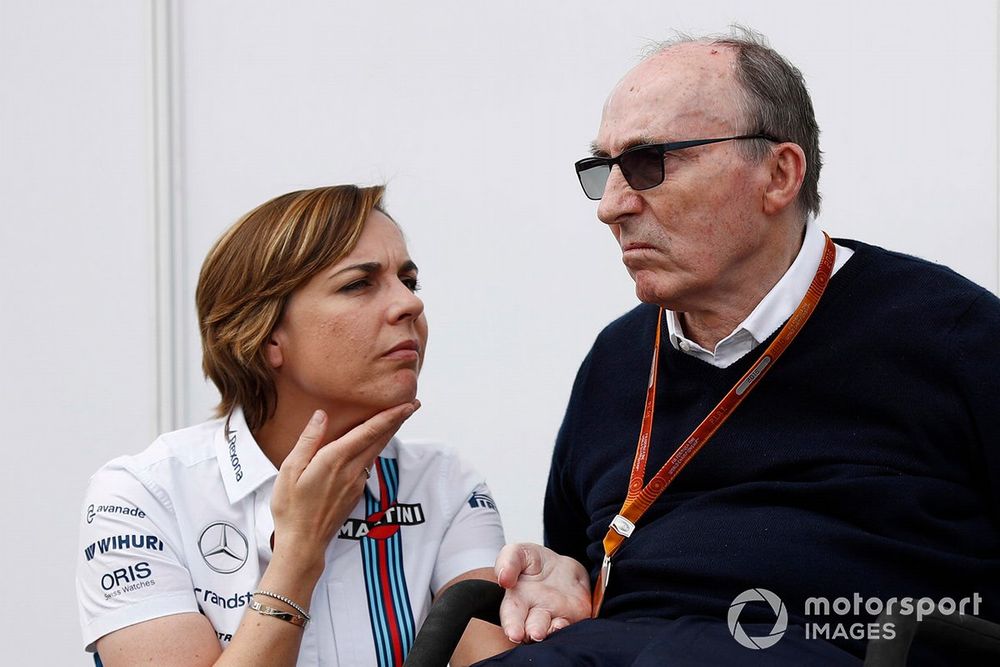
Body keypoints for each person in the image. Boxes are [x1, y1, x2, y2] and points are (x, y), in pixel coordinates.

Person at [483, 27, 1000, 666]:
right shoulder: (614, 363)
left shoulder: (952, 332)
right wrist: (559, 579)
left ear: (778, 174)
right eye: (604, 169)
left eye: (649, 163)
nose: (612, 206)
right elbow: (583, 563)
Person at [76, 185, 515, 666]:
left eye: (408, 281)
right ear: (266, 337)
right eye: (358, 284)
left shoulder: (445, 484)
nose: (410, 305)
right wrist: (300, 551)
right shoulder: (142, 495)